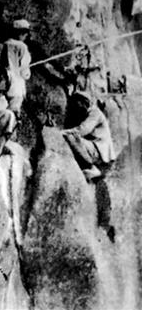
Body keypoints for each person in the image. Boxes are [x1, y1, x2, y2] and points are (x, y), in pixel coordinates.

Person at [62, 91, 116, 242]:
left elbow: (82, 130)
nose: (78, 107)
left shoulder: (95, 113)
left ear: (85, 102)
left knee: (71, 137)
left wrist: (62, 132)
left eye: (79, 103)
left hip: (100, 154)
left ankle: (92, 167)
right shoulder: (89, 112)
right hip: (98, 151)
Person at [0, 19, 32, 115]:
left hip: (2, 82)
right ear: (20, 33)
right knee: (12, 112)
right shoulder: (22, 47)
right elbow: (24, 72)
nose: (26, 35)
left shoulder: (2, 45)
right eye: (25, 33)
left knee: (0, 109)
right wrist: (27, 73)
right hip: (16, 85)